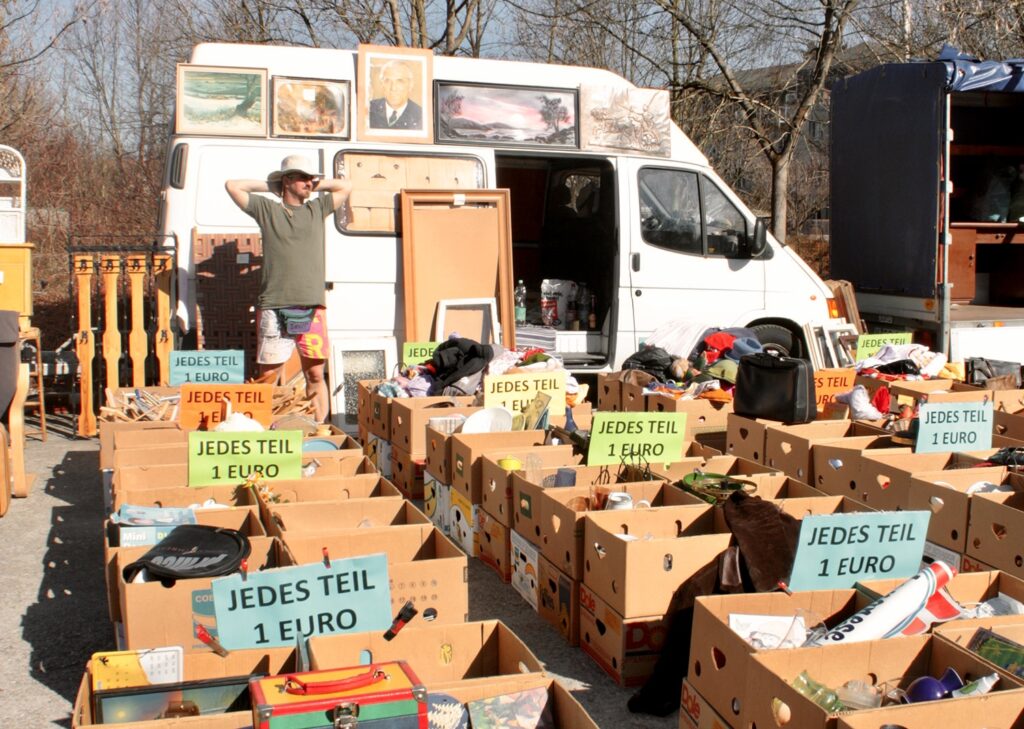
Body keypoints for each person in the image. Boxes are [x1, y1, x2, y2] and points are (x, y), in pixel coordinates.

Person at [225, 155, 353, 423]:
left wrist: (313, 185)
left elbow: (346, 186)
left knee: (316, 375)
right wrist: (272, 185)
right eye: (303, 177)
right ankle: (261, 431)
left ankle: (320, 430)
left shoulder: (317, 209)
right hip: (273, 306)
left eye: (312, 178)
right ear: (287, 180)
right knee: (268, 378)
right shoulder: (267, 209)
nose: (310, 182)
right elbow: (233, 185)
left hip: (312, 308)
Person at [368, 60, 423, 130]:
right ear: (382, 84)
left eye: (400, 81)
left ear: (410, 85)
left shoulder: (421, 116)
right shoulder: (369, 109)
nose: (393, 88)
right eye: (387, 81)